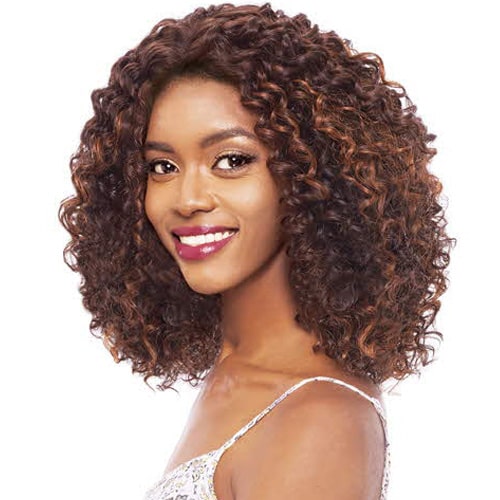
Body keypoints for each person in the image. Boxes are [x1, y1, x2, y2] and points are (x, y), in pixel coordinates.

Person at [58, 3, 455, 499]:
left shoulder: (318, 420)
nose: (187, 199)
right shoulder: (237, 369)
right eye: (162, 167)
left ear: (312, 177)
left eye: (230, 160)